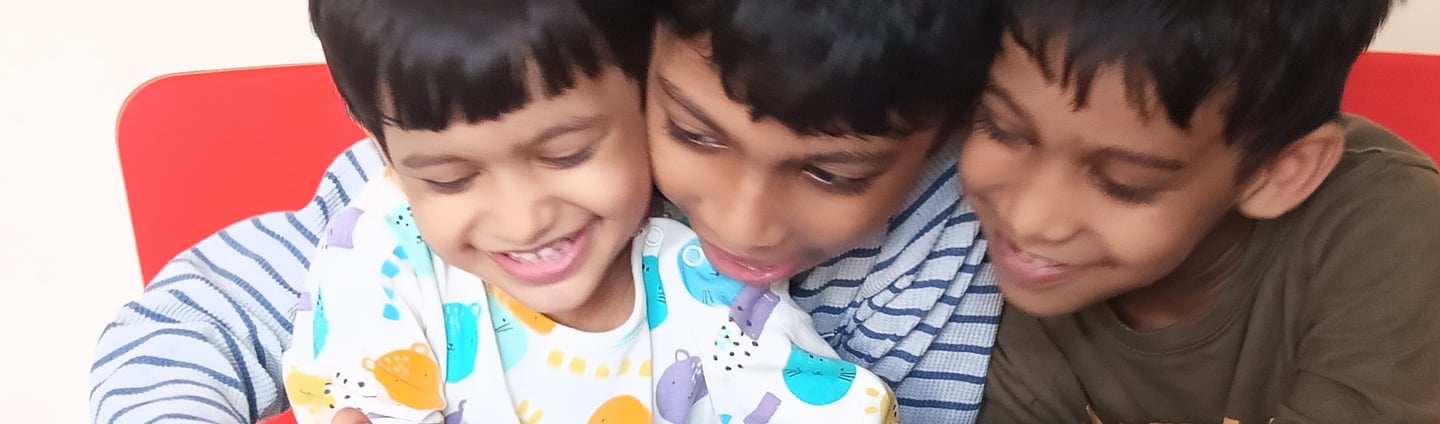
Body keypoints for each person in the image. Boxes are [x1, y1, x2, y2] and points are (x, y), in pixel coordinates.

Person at [90, 0, 1006, 422]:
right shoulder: (398, 211)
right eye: (695, 134)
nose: (523, 217)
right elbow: (180, 327)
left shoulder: (942, 245)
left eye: (568, 155)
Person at [282, 0, 894, 422]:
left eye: (567, 154)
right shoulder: (378, 253)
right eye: (451, 179)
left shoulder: (706, 275)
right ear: (379, 147)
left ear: (650, 98)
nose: (522, 221)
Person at [971, 0, 1440, 422]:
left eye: (1125, 182)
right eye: (999, 127)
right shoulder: (998, 256)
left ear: (1279, 173)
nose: (1028, 219)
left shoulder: (1390, 227)